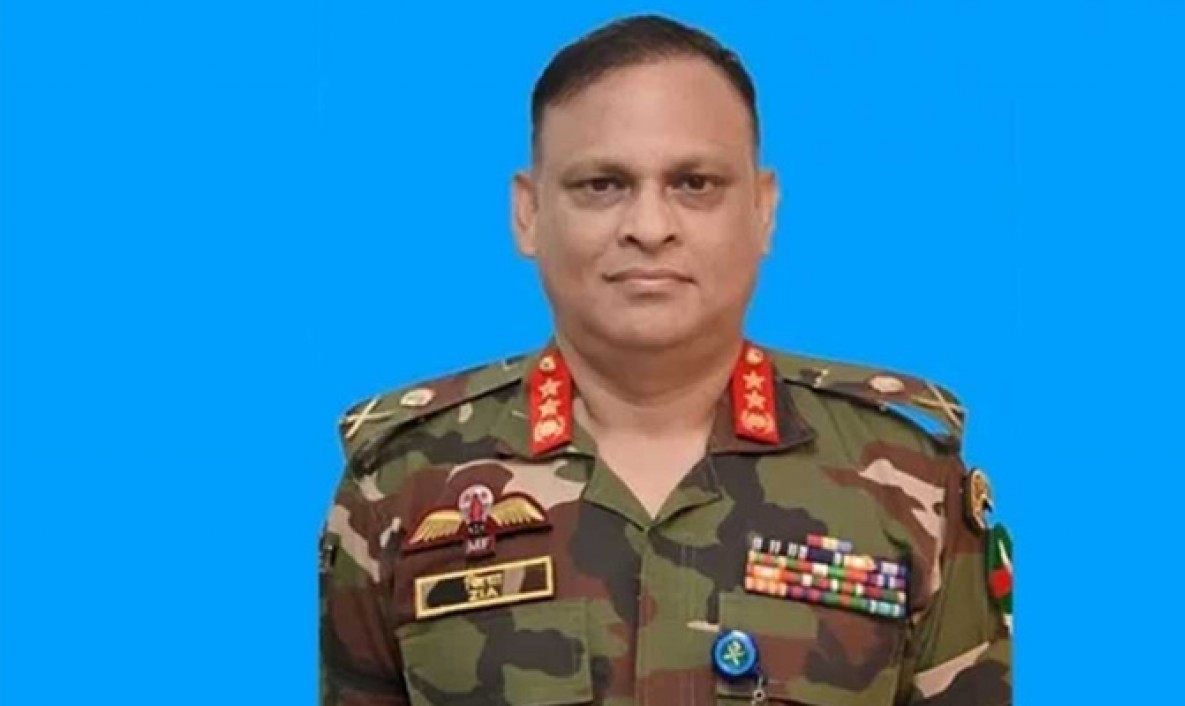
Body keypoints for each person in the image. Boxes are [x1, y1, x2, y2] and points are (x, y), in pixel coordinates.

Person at [319, 14, 1013, 706]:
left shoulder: (908, 479)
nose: (649, 228)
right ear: (528, 214)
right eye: (602, 185)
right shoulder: (399, 484)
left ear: (764, 210)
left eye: (695, 183)